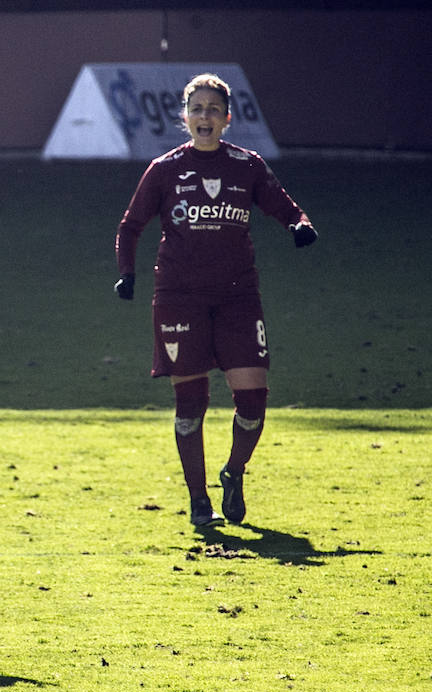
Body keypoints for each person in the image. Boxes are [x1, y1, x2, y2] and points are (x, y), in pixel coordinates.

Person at [114, 72, 316, 527]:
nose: (205, 117)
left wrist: (298, 224)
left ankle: (234, 472)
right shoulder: (165, 169)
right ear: (185, 118)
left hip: (238, 298)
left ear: (227, 118)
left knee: (253, 400)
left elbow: (281, 203)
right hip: (178, 298)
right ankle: (198, 499)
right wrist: (126, 274)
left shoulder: (247, 166)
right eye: (197, 109)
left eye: (213, 110)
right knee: (190, 404)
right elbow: (131, 226)